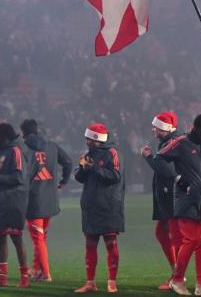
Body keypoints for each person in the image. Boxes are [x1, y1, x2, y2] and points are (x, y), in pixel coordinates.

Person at [155, 113, 201, 296]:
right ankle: (177, 280)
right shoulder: (181, 143)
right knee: (191, 240)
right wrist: (177, 178)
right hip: (186, 199)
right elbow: (158, 159)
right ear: (199, 127)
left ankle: (200, 285)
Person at [74, 123, 125, 294]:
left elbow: (115, 176)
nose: (86, 140)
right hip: (90, 205)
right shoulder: (88, 154)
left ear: (96, 139)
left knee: (110, 243)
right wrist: (82, 168)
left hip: (109, 205)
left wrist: (94, 168)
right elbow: (79, 177)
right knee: (90, 244)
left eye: (89, 138)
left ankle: (112, 281)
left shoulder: (113, 153)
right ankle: (90, 282)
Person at [20, 118, 72, 283]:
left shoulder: (24, 149)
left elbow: (22, 175)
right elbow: (68, 162)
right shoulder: (51, 145)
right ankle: (36, 270)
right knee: (41, 237)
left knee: (38, 238)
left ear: (24, 133)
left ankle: (46, 273)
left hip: (34, 201)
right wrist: (64, 180)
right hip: (50, 199)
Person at [0, 122, 30, 288]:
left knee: (16, 237)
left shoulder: (15, 151)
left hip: (12, 202)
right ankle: (2, 277)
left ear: (5, 135)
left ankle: (24, 276)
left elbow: (18, 178)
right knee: (0, 238)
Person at [141, 111, 182, 290]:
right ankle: (175, 272)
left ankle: (178, 276)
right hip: (166, 195)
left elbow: (166, 170)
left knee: (175, 235)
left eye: (156, 127)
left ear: (164, 128)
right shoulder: (169, 141)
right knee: (162, 233)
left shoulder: (173, 143)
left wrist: (148, 157)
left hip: (172, 195)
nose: (153, 130)